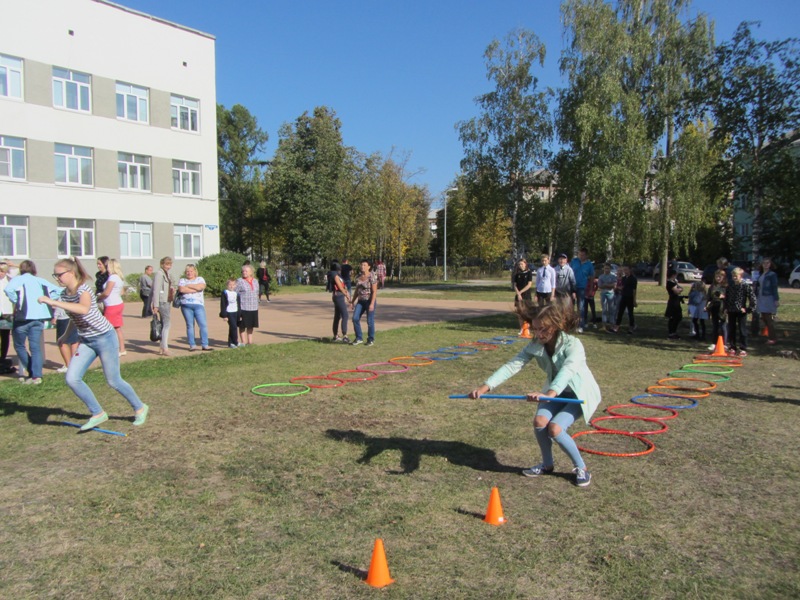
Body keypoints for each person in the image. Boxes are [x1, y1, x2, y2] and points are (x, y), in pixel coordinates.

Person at [469, 301, 601, 488]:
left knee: (555, 428)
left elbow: (568, 370)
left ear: (555, 326)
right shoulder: (535, 344)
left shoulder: (574, 345)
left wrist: (549, 393)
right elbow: (513, 365)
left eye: (543, 329)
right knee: (540, 422)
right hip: (554, 393)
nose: (538, 334)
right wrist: (485, 387)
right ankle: (547, 465)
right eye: (535, 328)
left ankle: (582, 468)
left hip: (578, 394)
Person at [38, 257, 148, 431]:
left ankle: (140, 407)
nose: (57, 278)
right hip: (87, 341)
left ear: (71, 273)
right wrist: (65, 336)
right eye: (55, 275)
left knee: (113, 380)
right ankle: (98, 413)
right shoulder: (65, 294)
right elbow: (75, 317)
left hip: (105, 337)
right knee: (72, 378)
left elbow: (83, 309)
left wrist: (53, 302)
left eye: (59, 274)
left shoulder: (84, 290)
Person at [3, 260, 61, 384]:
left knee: (19, 345)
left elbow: (8, 290)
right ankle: (37, 375)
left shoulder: (18, 280)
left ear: (21, 270)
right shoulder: (40, 280)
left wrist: (16, 301)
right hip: (39, 318)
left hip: (23, 317)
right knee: (35, 347)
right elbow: (58, 290)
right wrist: (48, 300)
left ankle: (31, 371)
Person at [178, 264, 212, 351]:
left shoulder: (200, 279)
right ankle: (192, 345)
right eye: (187, 271)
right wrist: (195, 289)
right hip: (186, 305)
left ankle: (205, 344)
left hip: (198, 305)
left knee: (203, 325)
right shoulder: (182, 280)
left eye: (191, 271)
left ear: (195, 272)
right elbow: (182, 290)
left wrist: (188, 286)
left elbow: (201, 287)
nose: (189, 273)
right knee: (190, 325)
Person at [724, 267, 756, 357]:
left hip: (741, 311)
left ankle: (743, 348)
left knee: (742, 330)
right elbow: (727, 298)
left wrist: (748, 309)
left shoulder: (745, 286)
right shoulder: (730, 286)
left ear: (740, 276)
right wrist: (726, 308)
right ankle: (732, 347)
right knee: (731, 329)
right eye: (733, 276)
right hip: (731, 310)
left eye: (736, 276)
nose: (734, 277)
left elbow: (752, 298)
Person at [97, 258, 127, 356]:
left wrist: (97, 297)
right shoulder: (118, 277)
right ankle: (122, 349)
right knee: (117, 327)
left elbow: (106, 292)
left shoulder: (113, 277)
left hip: (112, 305)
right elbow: (121, 292)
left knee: (107, 328)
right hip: (117, 303)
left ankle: (110, 349)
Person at [150, 256, 175, 356]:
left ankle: (162, 347)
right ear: (162, 264)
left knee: (164, 324)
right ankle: (165, 348)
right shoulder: (159, 274)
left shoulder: (167, 274)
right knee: (167, 324)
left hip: (167, 301)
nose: (168, 266)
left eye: (170, 264)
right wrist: (155, 305)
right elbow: (156, 290)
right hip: (162, 302)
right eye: (166, 264)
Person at [351, 259, 378, 346]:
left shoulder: (372, 276)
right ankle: (359, 338)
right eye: (361, 265)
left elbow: (374, 291)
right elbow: (356, 290)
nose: (362, 267)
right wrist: (352, 301)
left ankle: (370, 339)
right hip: (360, 301)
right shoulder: (358, 276)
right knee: (355, 318)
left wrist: (372, 304)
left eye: (364, 265)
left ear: (369, 267)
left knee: (370, 321)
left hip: (369, 301)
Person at [570, 248, 594, 332]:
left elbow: (591, 277)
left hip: (582, 288)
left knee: (581, 307)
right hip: (572, 287)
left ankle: (580, 325)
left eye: (583, 255)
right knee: (570, 306)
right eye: (580, 254)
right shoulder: (574, 261)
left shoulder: (589, 264)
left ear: (586, 255)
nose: (581, 256)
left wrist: (591, 289)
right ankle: (571, 324)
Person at [757, 258, 779, 345]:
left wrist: (776, 299)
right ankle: (770, 335)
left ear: (770, 264)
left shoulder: (772, 274)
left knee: (768, 318)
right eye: (764, 263)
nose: (766, 265)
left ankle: (772, 338)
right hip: (761, 297)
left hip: (768, 297)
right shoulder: (761, 274)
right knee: (764, 317)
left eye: (767, 263)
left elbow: (774, 287)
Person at [236, 263, 260, 346]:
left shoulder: (255, 281)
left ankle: (250, 341)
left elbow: (257, 292)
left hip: (253, 306)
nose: (244, 272)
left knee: (251, 325)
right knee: (242, 325)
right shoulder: (239, 281)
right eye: (243, 271)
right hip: (243, 306)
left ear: (251, 272)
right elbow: (235, 294)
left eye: (246, 271)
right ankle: (243, 342)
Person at [52, 305, 79, 373]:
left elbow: (61, 302)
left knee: (62, 341)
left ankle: (68, 365)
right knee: (74, 340)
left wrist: (55, 316)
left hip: (64, 317)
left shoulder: (64, 294)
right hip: (76, 315)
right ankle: (75, 365)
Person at [611, 265, 637, 334]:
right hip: (624, 296)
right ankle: (616, 327)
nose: (625, 272)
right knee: (620, 312)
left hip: (630, 297)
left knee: (630, 313)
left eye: (626, 270)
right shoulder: (624, 278)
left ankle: (631, 327)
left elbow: (634, 290)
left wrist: (634, 300)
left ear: (630, 270)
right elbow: (622, 287)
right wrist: (617, 288)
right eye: (624, 270)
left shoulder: (633, 279)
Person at [705, 269, 728, 350]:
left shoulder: (726, 287)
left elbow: (729, 297)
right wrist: (706, 305)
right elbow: (709, 297)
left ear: (723, 277)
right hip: (714, 307)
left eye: (720, 277)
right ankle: (714, 343)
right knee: (715, 325)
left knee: (723, 326)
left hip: (722, 307)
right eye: (717, 276)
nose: (718, 278)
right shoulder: (712, 286)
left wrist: (724, 297)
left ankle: (724, 343)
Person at [329, 262, 351, 343]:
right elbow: (340, 287)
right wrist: (347, 295)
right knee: (345, 315)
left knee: (337, 316)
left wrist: (346, 292)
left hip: (340, 296)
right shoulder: (335, 275)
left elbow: (343, 286)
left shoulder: (339, 276)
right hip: (338, 296)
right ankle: (345, 335)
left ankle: (335, 336)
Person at [0, 260, 15, 373]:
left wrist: (10, 264)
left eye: (3, 271)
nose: (1, 273)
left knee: (5, 336)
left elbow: (22, 269)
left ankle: (3, 358)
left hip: (6, 312)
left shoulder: (9, 281)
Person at [513, 258, 534, 336]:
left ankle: (527, 328)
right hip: (518, 296)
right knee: (519, 313)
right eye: (519, 264)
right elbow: (515, 285)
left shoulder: (529, 273)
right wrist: (518, 294)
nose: (520, 265)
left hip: (526, 295)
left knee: (526, 312)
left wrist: (521, 292)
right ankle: (521, 328)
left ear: (525, 264)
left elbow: (529, 284)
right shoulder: (517, 274)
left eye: (522, 264)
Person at [219, 278, 241, 348]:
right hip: (229, 312)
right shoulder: (225, 293)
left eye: (233, 285)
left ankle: (231, 343)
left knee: (233, 327)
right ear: (227, 285)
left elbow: (238, 304)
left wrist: (240, 314)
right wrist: (224, 315)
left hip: (236, 312)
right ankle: (235, 342)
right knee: (233, 327)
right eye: (230, 284)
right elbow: (223, 304)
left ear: (235, 285)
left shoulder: (236, 293)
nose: (231, 286)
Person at [665, 269, 684, 340]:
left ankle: (674, 332)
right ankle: (671, 333)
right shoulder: (670, 283)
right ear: (673, 275)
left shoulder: (674, 282)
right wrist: (680, 289)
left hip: (676, 300)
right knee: (673, 317)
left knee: (678, 317)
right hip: (673, 301)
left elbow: (680, 288)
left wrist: (679, 287)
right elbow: (676, 291)